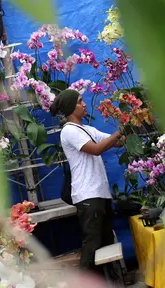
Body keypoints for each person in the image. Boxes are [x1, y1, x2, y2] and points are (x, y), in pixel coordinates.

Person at [50, 89, 124, 276]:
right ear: (70, 107)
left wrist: (129, 126)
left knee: (106, 248)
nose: (84, 104)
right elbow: (97, 149)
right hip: (88, 196)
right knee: (91, 249)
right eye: (80, 101)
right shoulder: (69, 131)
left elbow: (115, 142)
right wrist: (119, 132)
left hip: (99, 194)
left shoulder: (87, 129)